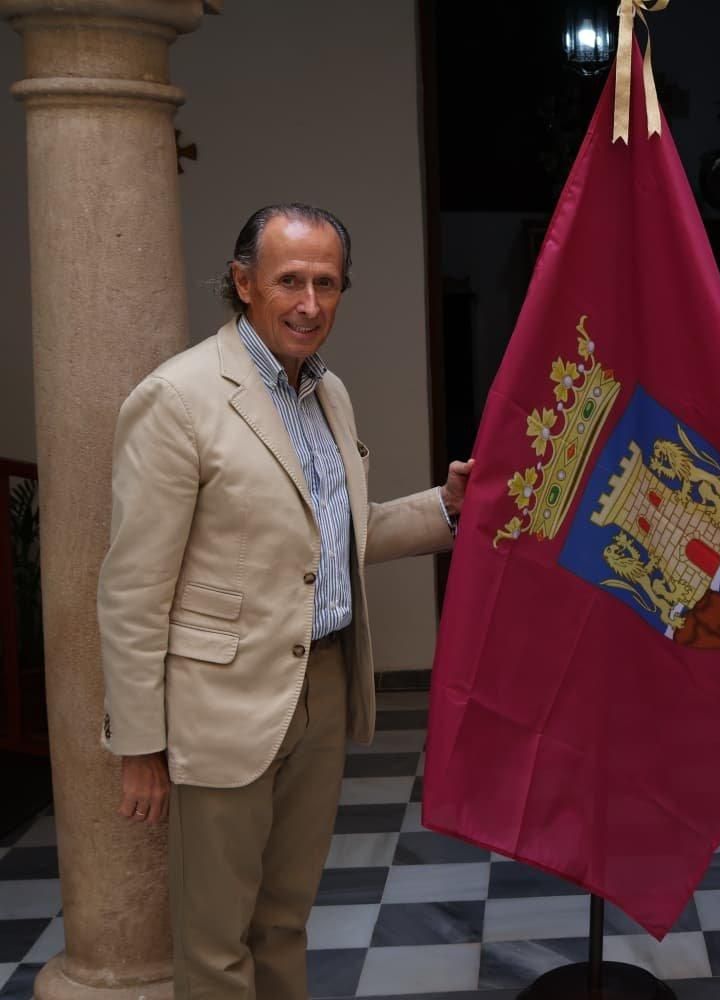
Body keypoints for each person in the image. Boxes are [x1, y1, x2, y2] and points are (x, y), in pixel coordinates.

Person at [96, 203, 474, 999]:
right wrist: (139, 743)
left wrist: (447, 508)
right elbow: (132, 588)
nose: (309, 302)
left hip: (324, 687)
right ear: (243, 284)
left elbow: (329, 537)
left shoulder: (325, 393)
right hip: (220, 703)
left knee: (284, 920)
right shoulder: (180, 399)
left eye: (327, 283)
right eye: (289, 281)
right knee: (215, 943)